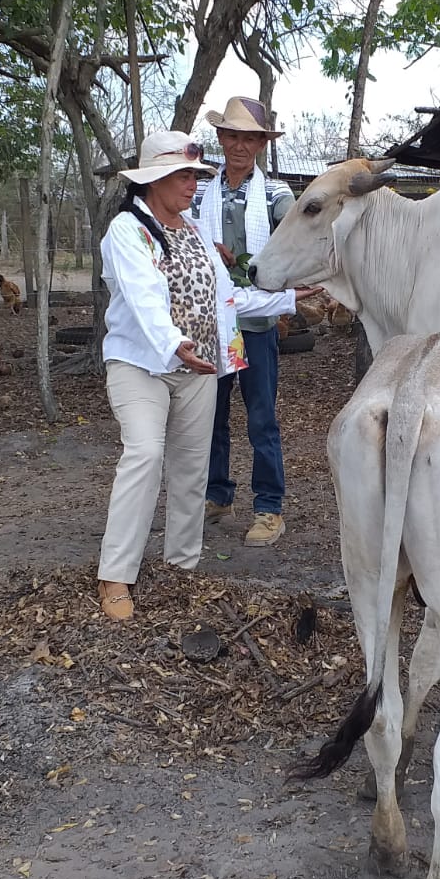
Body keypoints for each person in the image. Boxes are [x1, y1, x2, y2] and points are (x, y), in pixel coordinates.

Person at [95, 129, 300, 620]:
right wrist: (175, 344)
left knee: (192, 471)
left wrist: (291, 298)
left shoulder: (194, 233)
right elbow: (144, 296)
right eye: (184, 175)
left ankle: (180, 568)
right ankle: (115, 575)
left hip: (200, 367)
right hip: (142, 365)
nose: (193, 184)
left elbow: (226, 297)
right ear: (155, 180)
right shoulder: (127, 230)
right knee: (144, 454)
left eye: (195, 175)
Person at [190, 96, 297, 547]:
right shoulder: (200, 192)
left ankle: (270, 507)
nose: (238, 145)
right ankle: (218, 495)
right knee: (210, 414)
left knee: (260, 417)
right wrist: (208, 250)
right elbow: (185, 242)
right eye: (231, 135)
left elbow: (292, 246)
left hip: (255, 323)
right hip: (213, 321)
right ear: (220, 138)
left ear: (260, 144)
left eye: (248, 137)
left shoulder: (275, 194)